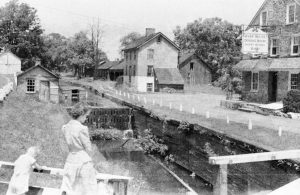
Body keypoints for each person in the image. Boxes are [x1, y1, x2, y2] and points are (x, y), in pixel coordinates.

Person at [61, 104, 97, 195]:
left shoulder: (65, 127)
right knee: (88, 188)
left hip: (70, 159)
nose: (86, 118)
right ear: (81, 115)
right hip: (83, 160)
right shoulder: (82, 128)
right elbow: (88, 148)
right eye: (86, 116)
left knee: (67, 187)